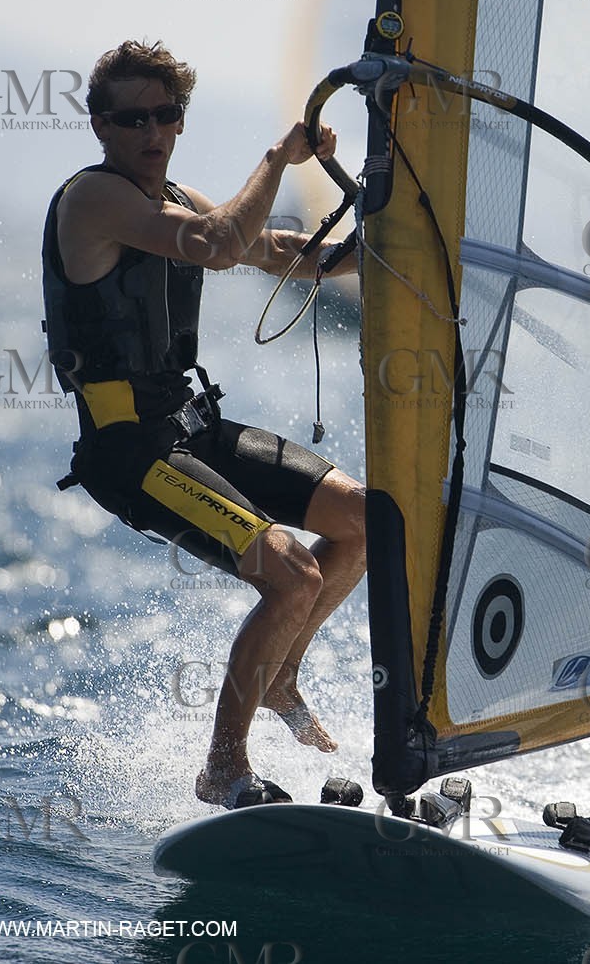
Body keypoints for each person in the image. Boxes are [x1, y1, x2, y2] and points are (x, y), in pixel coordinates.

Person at [40, 40, 365, 808]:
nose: (151, 131)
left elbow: (279, 249)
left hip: (189, 425)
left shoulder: (176, 196)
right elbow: (220, 244)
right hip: (130, 451)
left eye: (166, 114)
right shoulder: (94, 201)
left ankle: (281, 670)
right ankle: (224, 766)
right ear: (100, 125)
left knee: (364, 519)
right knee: (293, 575)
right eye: (132, 117)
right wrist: (278, 160)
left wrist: (383, 248)